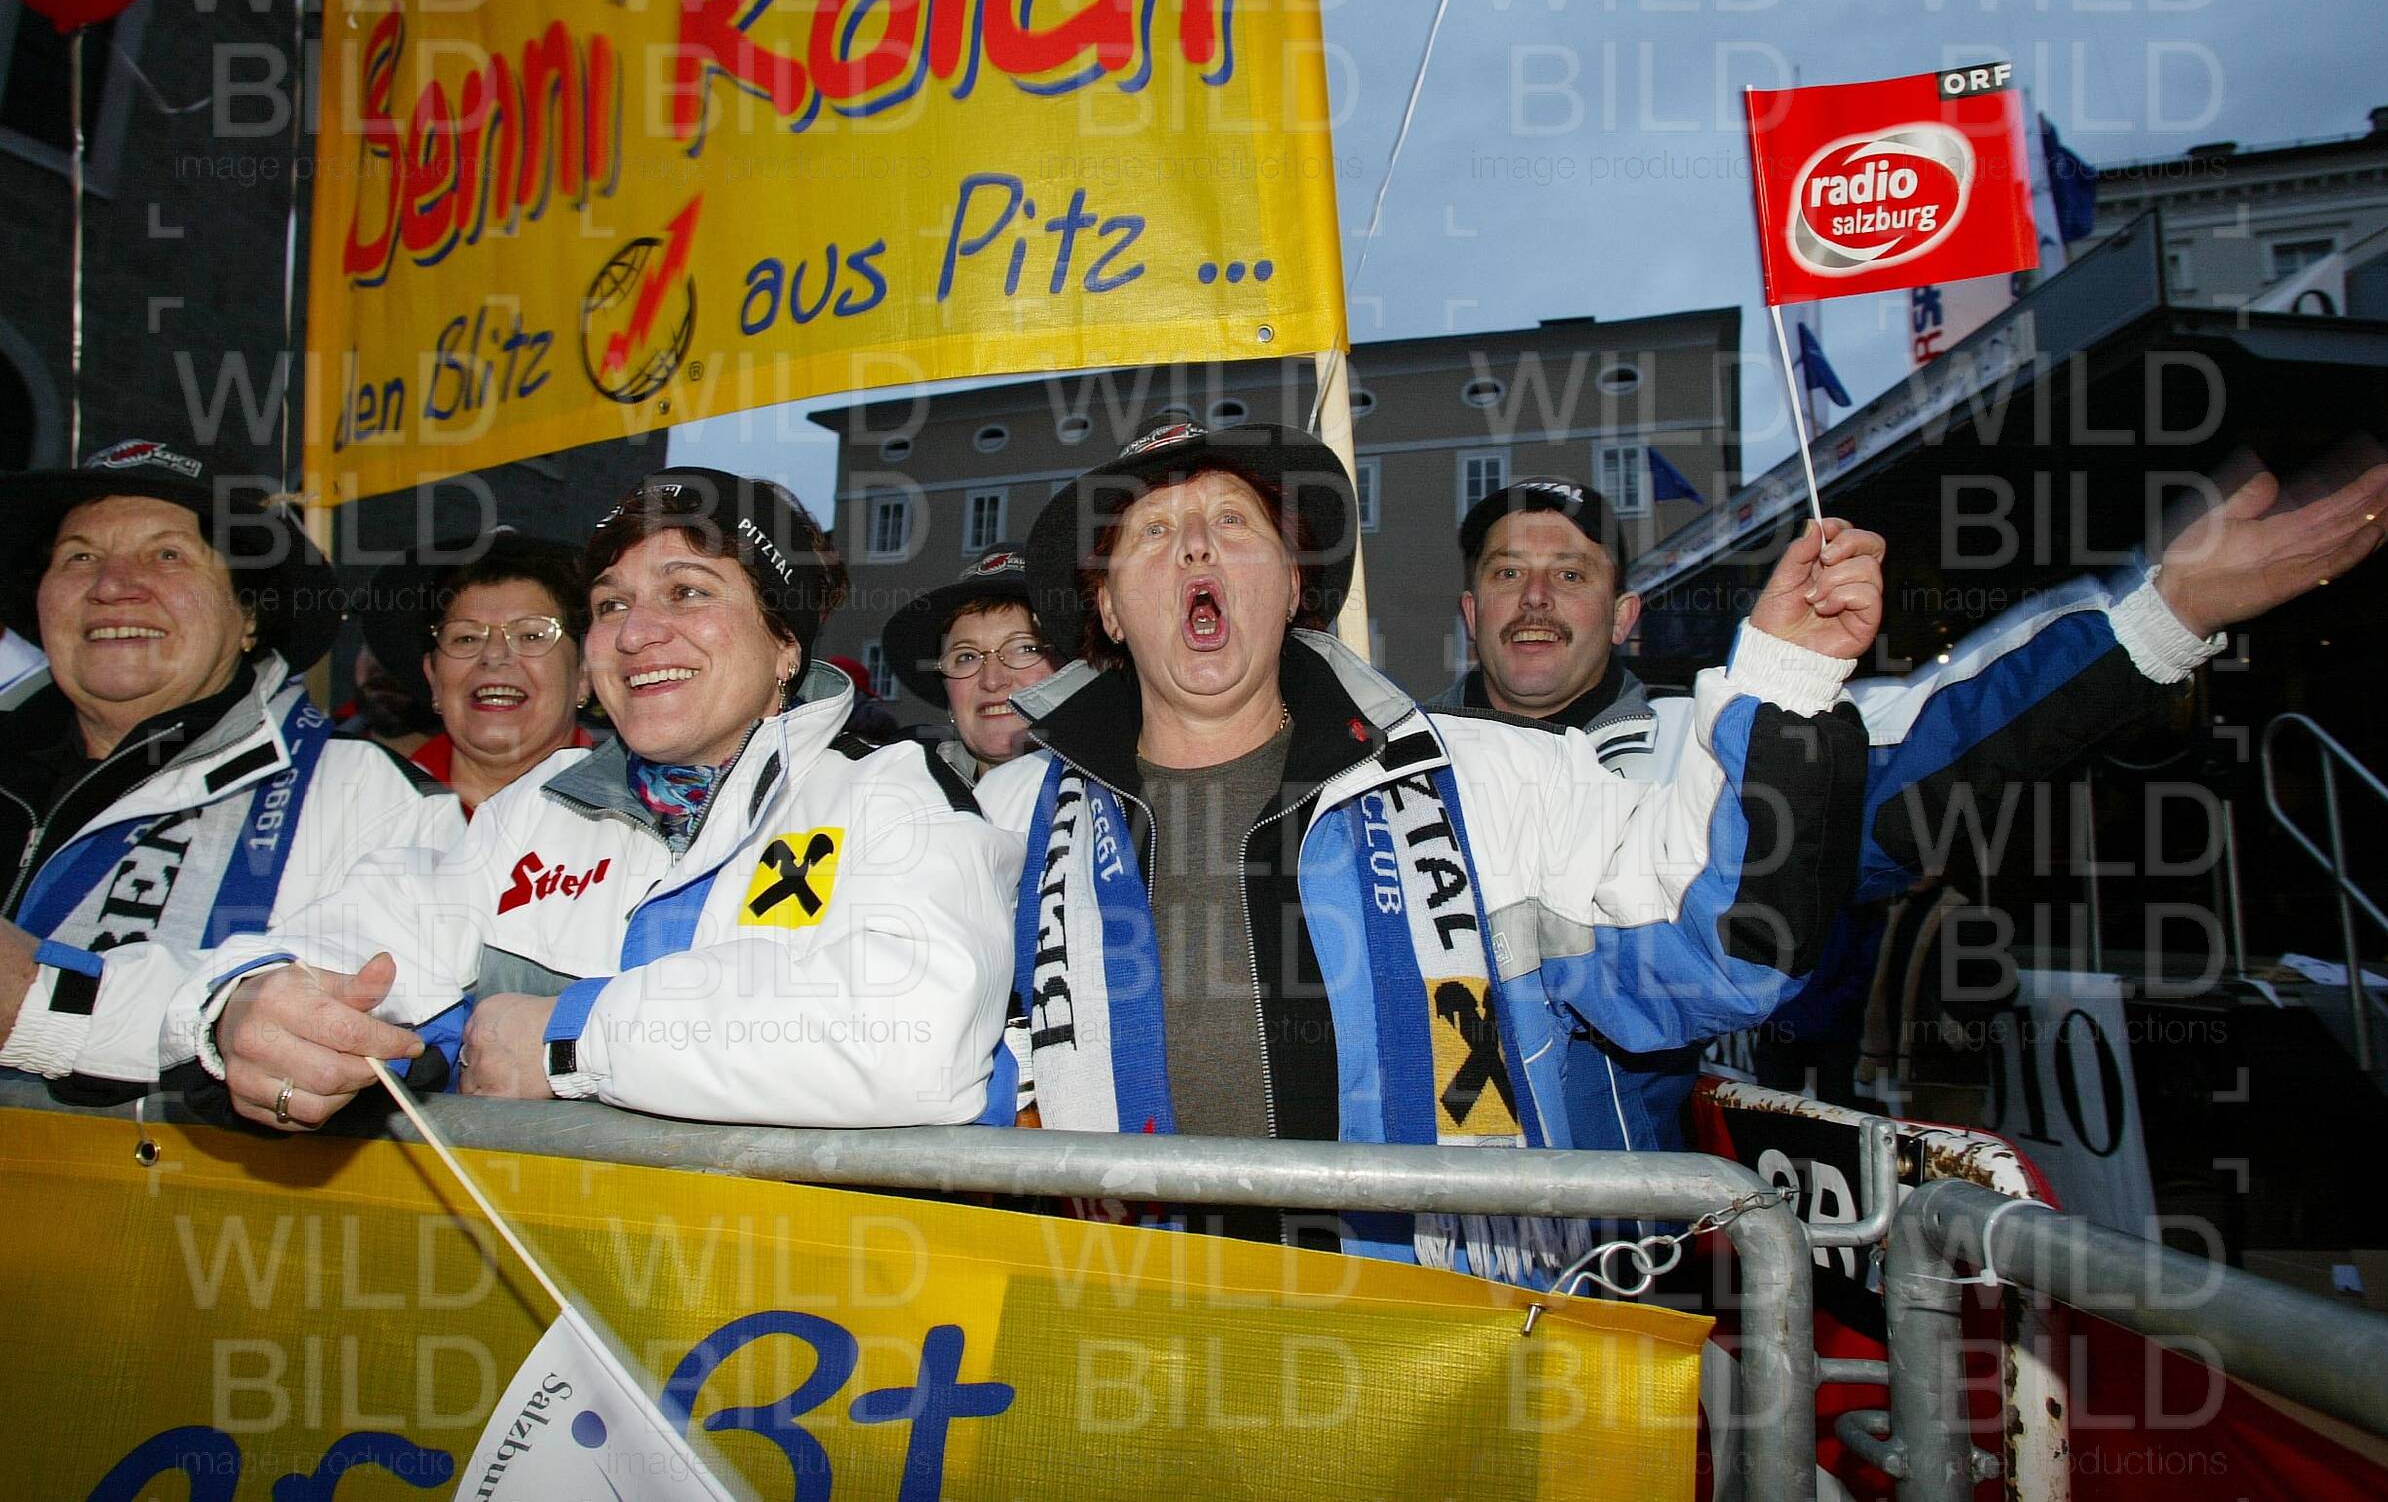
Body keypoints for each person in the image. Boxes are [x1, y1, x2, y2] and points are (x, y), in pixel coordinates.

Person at [976, 419, 1879, 1277]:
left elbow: (1716, 947)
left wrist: (1787, 676)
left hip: (1439, 1343)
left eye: (1233, 522)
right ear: (1109, 609)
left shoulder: (1500, 780)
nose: (1196, 548)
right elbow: (941, 1042)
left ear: (1293, 586)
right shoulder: (1011, 821)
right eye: (1152, 531)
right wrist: (1011, 1112)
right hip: (1134, 1331)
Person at [1431, 458, 2388, 1142]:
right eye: (1508, 573)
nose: (1536, 598)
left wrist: (2160, 618)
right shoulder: (1400, 777)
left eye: (1571, 574)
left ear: (1624, 614)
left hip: (1638, 1241)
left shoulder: (1721, 739)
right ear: (1472, 613)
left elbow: (1939, 734)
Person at [168, 468, 1016, 1131]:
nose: (636, 634)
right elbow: (377, 929)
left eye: (687, 591)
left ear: (783, 641)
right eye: (611, 603)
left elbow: (919, 1038)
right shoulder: (542, 803)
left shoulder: (887, 791)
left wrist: (570, 1036)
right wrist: (252, 998)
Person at [0, 440, 463, 1088]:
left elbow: (352, 1018)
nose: (112, 586)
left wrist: (33, 995)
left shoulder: (368, 796)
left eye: (167, 554)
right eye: (80, 556)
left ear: (249, 613)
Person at [360, 532, 595, 813]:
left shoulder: (634, 818)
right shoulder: (365, 810)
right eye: (466, 638)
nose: (493, 655)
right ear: (433, 677)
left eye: (531, 636)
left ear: (583, 675)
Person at [882, 544, 1059, 783]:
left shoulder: (1108, 799)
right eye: (966, 657)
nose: (992, 680)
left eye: (1025, 649)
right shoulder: (896, 791)